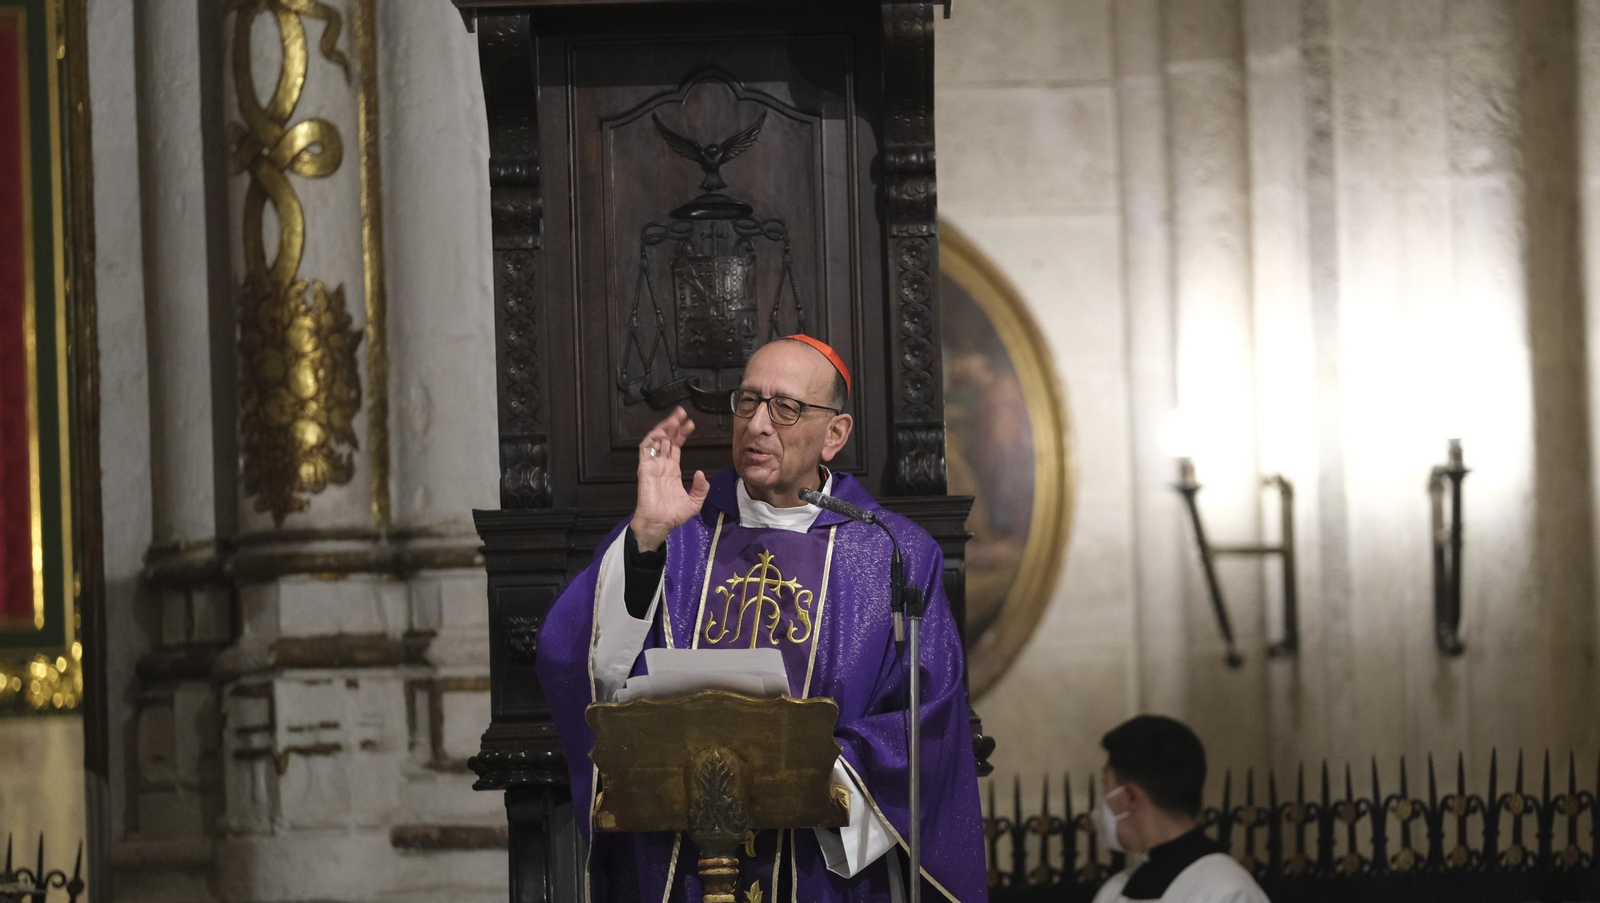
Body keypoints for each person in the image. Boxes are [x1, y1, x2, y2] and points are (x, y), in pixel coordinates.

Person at [535, 335, 989, 903]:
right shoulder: (679, 530)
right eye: (747, 402)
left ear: (835, 435)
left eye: (786, 408)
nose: (758, 424)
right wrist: (645, 539)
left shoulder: (891, 551)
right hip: (678, 867)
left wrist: (804, 773)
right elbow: (572, 661)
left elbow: (928, 721)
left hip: (820, 871)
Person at [1090, 716, 1268, 903]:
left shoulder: (1227, 892)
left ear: (1131, 797)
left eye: (1106, 787)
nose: (1101, 805)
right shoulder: (1115, 891)